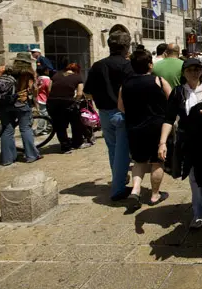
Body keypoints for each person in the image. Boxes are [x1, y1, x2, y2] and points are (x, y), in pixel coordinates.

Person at [159, 57, 202, 229]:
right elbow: (169, 118)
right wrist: (162, 142)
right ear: (184, 73)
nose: (194, 72)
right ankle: (199, 211)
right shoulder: (179, 92)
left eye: (197, 69)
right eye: (190, 70)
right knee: (194, 176)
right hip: (188, 140)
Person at [84, 30, 134, 201]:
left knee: (113, 149)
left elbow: (88, 92)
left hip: (104, 112)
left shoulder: (97, 66)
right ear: (126, 47)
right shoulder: (128, 66)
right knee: (122, 152)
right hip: (123, 113)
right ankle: (118, 189)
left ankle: (118, 180)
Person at [119, 50, 171, 209]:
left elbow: (121, 107)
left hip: (135, 127)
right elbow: (172, 101)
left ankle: (135, 191)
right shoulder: (159, 80)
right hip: (157, 127)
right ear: (150, 64)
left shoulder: (125, 84)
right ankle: (155, 195)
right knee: (157, 161)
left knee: (139, 160)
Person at [0, 53, 42, 165]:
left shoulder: (6, 70)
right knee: (25, 129)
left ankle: (7, 159)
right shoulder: (29, 73)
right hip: (21, 104)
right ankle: (31, 155)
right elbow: (34, 90)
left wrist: (0, 71)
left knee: (7, 130)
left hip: (4, 104)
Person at [47, 63, 88, 153]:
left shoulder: (56, 75)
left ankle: (65, 146)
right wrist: (75, 100)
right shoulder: (77, 77)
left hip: (52, 102)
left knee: (59, 125)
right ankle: (77, 143)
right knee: (76, 123)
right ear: (77, 70)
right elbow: (80, 93)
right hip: (67, 102)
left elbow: (49, 89)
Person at [35, 66, 51, 135]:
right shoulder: (47, 79)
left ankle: (45, 128)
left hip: (39, 98)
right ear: (45, 71)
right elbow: (49, 89)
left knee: (43, 114)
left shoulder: (39, 79)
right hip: (46, 99)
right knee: (46, 115)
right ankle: (42, 129)